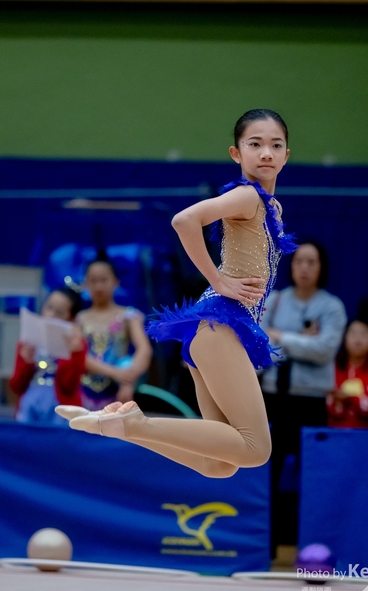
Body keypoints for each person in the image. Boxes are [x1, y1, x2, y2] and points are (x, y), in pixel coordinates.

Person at [56, 108, 297, 479]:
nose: (266, 153)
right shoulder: (247, 196)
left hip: (216, 330)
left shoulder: (268, 204)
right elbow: (184, 220)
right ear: (236, 153)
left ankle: (124, 428)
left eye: (275, 145)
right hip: (220, 327)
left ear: (286, 155)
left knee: (219, 465)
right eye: (255, 144)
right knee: (256, 448)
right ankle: (136, 423)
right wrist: (219, 280)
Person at [260, 241, 346, 550]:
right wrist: (300, 341)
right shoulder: (274, 300)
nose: (304, 268)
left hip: (311, 403)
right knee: (267, 472)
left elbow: (324, 350)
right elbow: (260, 347)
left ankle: (312, 546)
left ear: (322, 267)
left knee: (312, 475)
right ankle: (266, 545)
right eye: (299, 261)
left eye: (311, 262)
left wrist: (281, 337)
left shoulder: (332, 307)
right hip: (273, 398)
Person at [77, 252, 153, 410]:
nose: (98, 286)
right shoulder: (79, 319)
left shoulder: (129, 316)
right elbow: (78, 356)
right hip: (81, 393)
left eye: (104, 280)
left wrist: (128, 380)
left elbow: (144, 350)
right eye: (93, 281)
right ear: (85, 284)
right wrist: (115, 372)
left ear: (116, 281)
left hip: (117, 393)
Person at [9, 287, 86, 426]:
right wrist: (27, 362)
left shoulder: (76, 346)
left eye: (59, 313)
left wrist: (75, 355)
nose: (51, 315)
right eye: (49, 307)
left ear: (71, 318)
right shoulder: (27, 341)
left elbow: (69, 387)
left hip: (59, 408)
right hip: (29, 404)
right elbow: (16, 386)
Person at [327, 320, 368, 429]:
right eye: (353, 333)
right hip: (333, 433)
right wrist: (337, 401)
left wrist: (354, 398)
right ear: (344, 337)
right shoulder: (331, 368)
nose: (358, 340)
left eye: (364, 334)